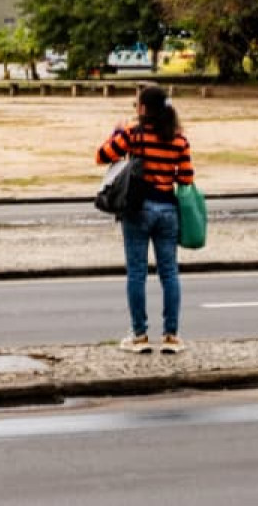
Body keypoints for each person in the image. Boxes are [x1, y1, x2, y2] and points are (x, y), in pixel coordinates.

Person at [96, 83, 194, 354]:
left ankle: (139, 336)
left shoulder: (133, 135)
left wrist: (116, 132)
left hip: (137, 210)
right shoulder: (179, 139)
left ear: (143, 108)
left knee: (137, 273)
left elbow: (101, 156)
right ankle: (171, 336)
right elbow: (186, 178)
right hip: (167, 211)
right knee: (170, 273)